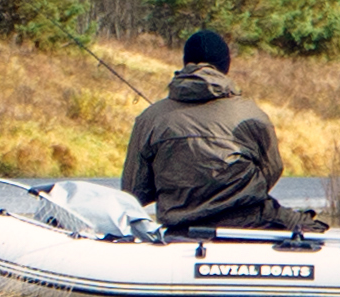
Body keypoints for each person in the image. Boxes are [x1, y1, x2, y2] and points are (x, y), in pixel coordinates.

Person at [125, 28, 296, 231]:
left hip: (181, 230)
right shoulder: (253, 114)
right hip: (249, 226)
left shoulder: (150, 118)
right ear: (225, 65)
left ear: (185, 62)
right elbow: (271, 170)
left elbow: (133, 192)